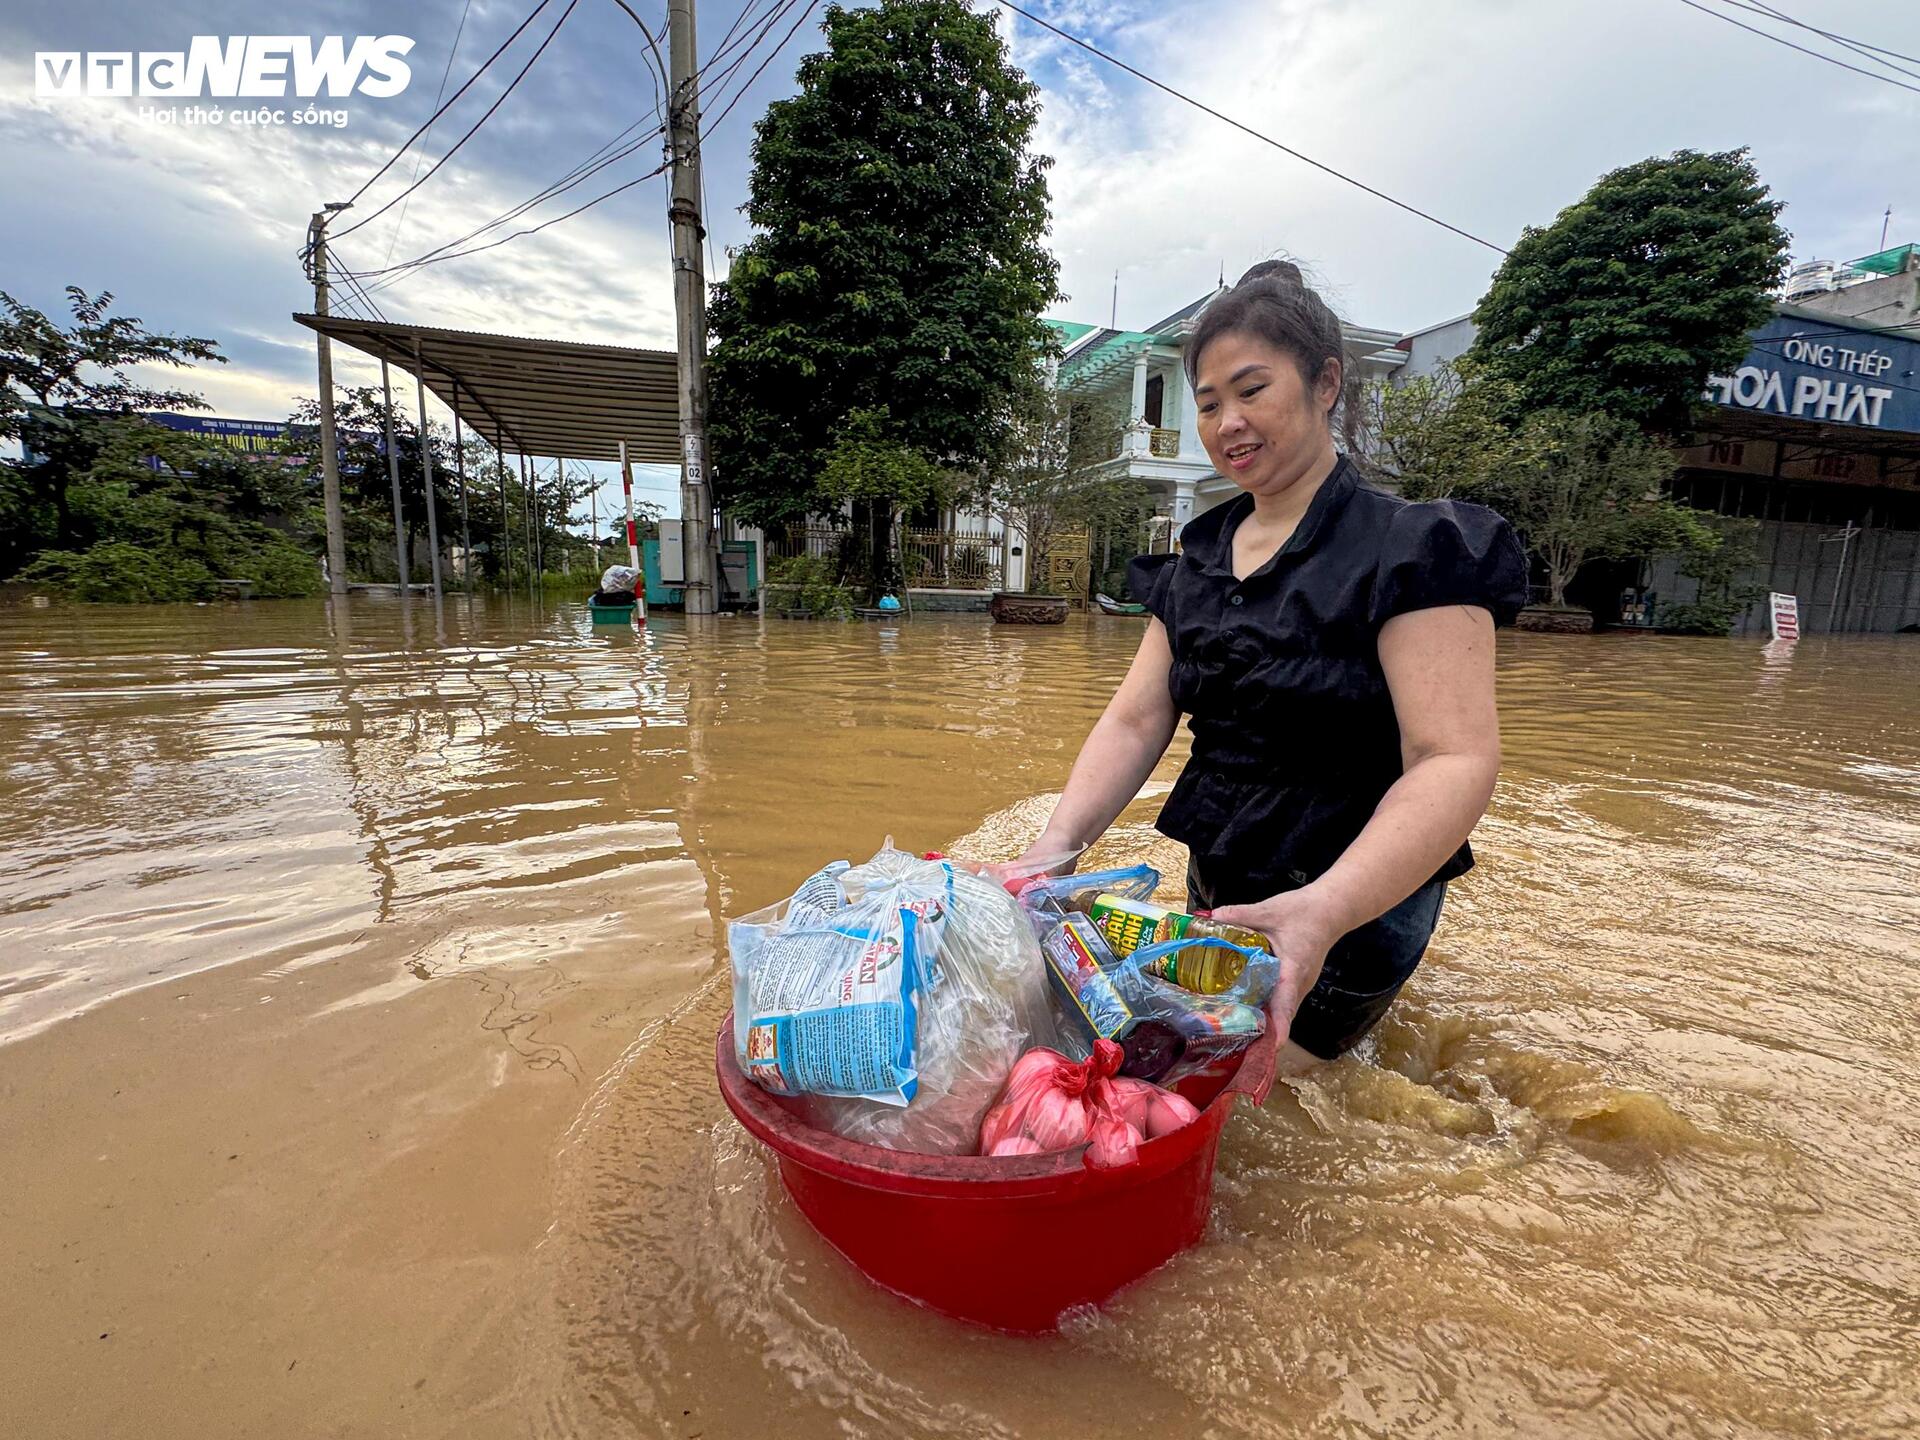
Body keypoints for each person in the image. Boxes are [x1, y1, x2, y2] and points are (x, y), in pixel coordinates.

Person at [1020, 261, 1528, 1076]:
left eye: (1252, 389)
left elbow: (1456, 759)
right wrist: (1056, 845)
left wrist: (1326, 911)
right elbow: (1137, 718)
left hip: (1357, 895)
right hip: (1228, 862)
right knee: (1177, 1058)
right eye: (1210, 401)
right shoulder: (1200, 556)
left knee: (1264, 1101)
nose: (1228, 422)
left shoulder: (1414, 550)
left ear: (1326, 382)